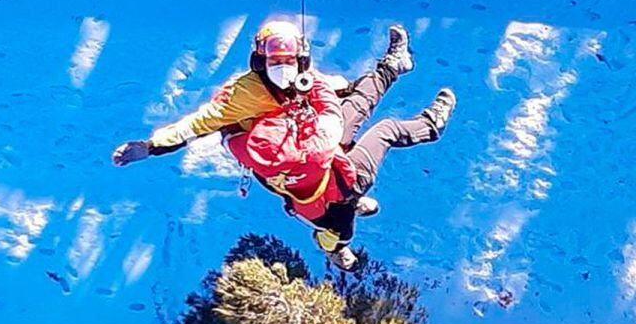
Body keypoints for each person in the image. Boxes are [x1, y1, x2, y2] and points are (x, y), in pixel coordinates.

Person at [110, 18, 414, 165]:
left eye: (288, 60)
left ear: (301, 60)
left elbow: (335, 86)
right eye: (274, 60)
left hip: (309, 138)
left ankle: (392, 65)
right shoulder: (244, 92)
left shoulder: (305, 78)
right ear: (260, 61)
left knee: (357, 105)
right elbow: (199, 122)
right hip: (276, 157)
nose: (283, 66)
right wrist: (151, 146)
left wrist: (353, 87)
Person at [228, 85, 456, 270]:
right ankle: (430, 125)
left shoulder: (257, 155)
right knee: (386, 130)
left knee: (351, 110)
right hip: (349, 180)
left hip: (327, 172)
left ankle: (389, 70)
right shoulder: (329, 215)